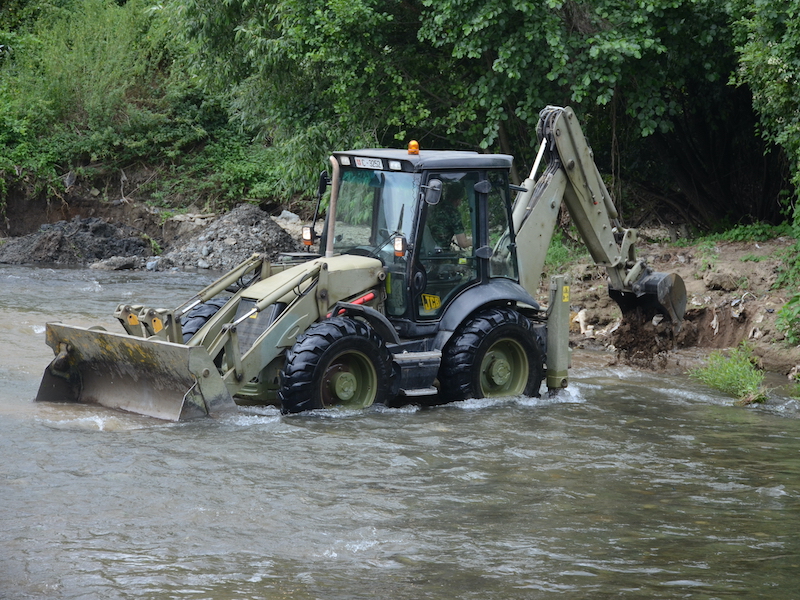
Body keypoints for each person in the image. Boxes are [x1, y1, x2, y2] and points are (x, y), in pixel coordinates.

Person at [427, 182, 472, 249]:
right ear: (458, 199)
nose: (460, 203)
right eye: (460, 199)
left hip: (428, 251)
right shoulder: (453, 213)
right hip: (440, 254)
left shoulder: (432, 208)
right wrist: (474, 241)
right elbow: (463, 243)